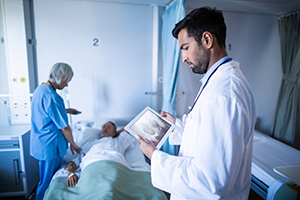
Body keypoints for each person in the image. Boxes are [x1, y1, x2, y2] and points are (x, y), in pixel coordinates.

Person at [135, 7, 257, 200]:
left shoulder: (224, 93)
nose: (183, 57)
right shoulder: (216, 81)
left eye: (185, 48)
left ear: (207, 40)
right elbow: (205, 139)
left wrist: (155, 157)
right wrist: (176, 125)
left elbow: (210, 182)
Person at [30, 62, 82, 200]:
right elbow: (64, 127)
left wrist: (65, 111)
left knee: (43, 178)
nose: (67, 85)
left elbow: (45, 111)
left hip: (40, 141)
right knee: (48, 182)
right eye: (67, 81)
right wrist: (73, 144)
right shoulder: (53, 97)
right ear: (62, 77)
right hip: (49, 145)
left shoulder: (41, 89)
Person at [64, 121, 135, 187]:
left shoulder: (118, 141)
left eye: (109, 127)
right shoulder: (89, 145)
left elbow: (128, 128)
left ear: (114, 133)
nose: (105, 128)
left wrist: (115, 134)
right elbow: (73, 162)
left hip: (114, 163)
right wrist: (71, 173)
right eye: (104, 126)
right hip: (92, 164)